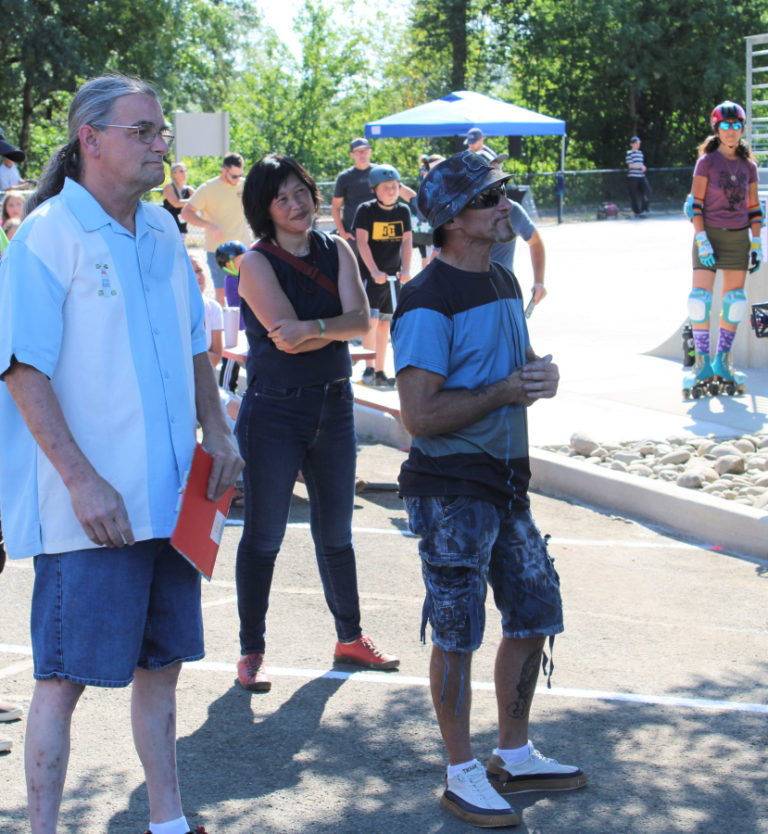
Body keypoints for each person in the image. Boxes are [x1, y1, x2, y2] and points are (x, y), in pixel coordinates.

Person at [0, 74, 242, 834]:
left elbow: (195, 344)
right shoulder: (47, 234)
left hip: (170, 500)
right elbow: (20, 367)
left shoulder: (165, 230)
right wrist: (80, 480)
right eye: (144, 130)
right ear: (90, 139)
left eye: (162, 130)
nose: (160, 142)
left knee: (162, 669)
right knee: (63, 680)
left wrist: (220, 429)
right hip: (92, 509)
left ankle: (166, 820)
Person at [391, 150, 587, 828]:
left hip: (506, 484)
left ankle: (514, 750)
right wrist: (506, 390)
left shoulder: (502, 283)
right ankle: (461, 770)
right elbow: (419, 415)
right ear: (451, 220)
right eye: (489, 198)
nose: (505, 204)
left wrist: (538, 375)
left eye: (502, 192)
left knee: (535, 613)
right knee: (457, 631)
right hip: (450, 491)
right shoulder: (426, 300)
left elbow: (516, 368)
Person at [234, 153, 398, 692]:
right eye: (281, 198)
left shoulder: (339, 248)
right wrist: (331, 326)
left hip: (334, 404)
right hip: (274, 411)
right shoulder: (256, 263)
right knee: (263, 537)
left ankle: (349, 637)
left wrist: (314, 327)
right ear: (265, 210)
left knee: (337, 534)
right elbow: (284, 331)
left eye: (300, 190)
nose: (296, 203)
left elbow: (363, 321)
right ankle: (251, 651)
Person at [683, 101, 762, 398]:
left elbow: (754, 208)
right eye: (725, 126)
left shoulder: (749, 166)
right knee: (699, 300)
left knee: (735, 301)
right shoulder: (707, 162)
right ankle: (701, 363)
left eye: (736, 125)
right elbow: (696, 204)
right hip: (709, 235)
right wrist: (701, 238)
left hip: (739, 237)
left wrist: (756, 243)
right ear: (717, 129)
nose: (731, 131)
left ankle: (723, 361)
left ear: (742, 128)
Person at [353, 164, 412, 388]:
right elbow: (362, 242)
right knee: (371, 321)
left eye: (395, 186)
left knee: (385, 324)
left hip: (393, 277)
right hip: (372, 276)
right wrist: (374, 270)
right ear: (374, 190)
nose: (392, 190)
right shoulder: (366, 211)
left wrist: (406, 269)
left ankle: (379, 370)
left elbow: (407, 241)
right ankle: (368, 368)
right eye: (386, 187)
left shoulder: (403, 211)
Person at [181, 152, 252, 306]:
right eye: (233, 176)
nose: (237, 180)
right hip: (218, 251)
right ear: (223, 170)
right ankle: (225, 328)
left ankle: (245, 328)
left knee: (248, 292)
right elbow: (186, 213)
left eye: (239, 175)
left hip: (243, 249)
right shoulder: (208, 189)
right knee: (222, 295)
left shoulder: (245, 185)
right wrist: (209, 225)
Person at [331, 137, 415, 253]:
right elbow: (336, 207)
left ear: (370, 152)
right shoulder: (344, 177)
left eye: (365, 151)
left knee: (383, 269)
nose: (362, 155)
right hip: (354, 234)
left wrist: (419, 202)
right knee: (356, 270)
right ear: (352, 154)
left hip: (381, 233)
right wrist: (342, 232)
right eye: (358, 152)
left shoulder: (380, 172)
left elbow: (402, 191)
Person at [489, 193, 547, 309]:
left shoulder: (512, 210)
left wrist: (539, 282)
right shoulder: (458, 212)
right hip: (467, 302)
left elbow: (535, 243)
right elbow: (442, 255)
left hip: (506, 298)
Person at [191, 254, 224, 368]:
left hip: (204, 380)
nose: (197, 277)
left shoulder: (214, 308)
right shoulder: (173, 310)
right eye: (190, 273)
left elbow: (216, 358)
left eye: (199, 270)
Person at [162, 161, 195, 237]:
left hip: (182, 228)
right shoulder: (169, 187)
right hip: (168, 229)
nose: (184, 173)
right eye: (181, 171)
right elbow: (176, 203)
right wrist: (194, 201)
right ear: (174, 174)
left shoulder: (189, 189)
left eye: (185, 171)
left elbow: (200, 200)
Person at [626, 135, 650, 217]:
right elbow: (630, 165)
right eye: (636, 143)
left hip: (641, 176)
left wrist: (644, 167)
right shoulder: (629, 153)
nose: (638, 145)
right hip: (633, 177)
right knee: (634, 195)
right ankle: (637, 211)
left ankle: (645, 209)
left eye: (638, 143)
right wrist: (640, 167)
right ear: (632, 144)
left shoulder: (640, 153)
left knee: (647, 191)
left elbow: (641, 163)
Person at [0, 125, 27, 190]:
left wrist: (25, 182)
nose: (11, 160)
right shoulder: (1, 170)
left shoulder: (13, 167)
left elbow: (18, 179)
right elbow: (6, 189)